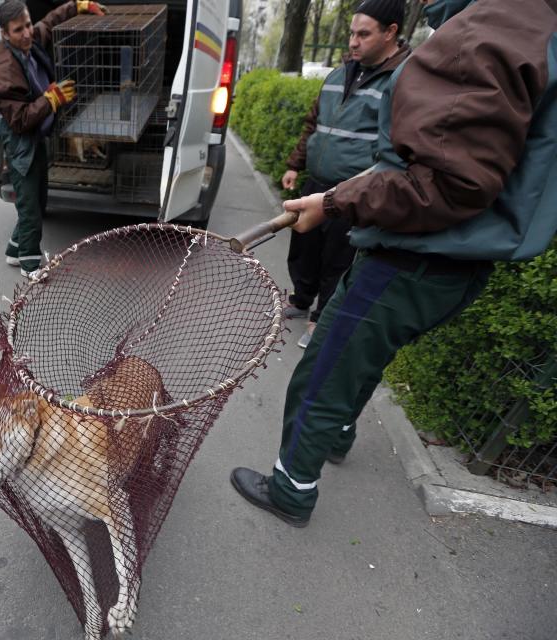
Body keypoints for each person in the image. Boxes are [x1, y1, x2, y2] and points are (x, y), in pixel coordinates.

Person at [231, 0, 557, 527]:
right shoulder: (535, 28)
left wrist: (333, 204)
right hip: (453, 263)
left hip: (411, 258)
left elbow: (445, 183)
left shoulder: (493, 27)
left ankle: (291, 490)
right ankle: (337, 437)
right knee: (362, 358)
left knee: (322, 375)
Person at [282, 0, 410, 349]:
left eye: (363, 34)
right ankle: (300, 299)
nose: (353, 42)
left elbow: (398, 147)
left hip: (353, 193)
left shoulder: (403, 81)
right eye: (352, 33)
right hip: (317, 183)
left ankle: (320, 320)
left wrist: (361, 189)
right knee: (305, 247)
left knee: (338, 259)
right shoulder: (339, 74)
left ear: (391, 32)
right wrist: (295, 164)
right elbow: (314, 123)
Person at [0, 0, 106, 279]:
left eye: (28, 25)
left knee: (37, 201)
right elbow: (18, 121)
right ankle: (30, 266)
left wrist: (78, 5)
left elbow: (49, 23)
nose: (27, 33)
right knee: (30, 206)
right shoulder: (4, 69)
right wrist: (51, 99)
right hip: (19, 141)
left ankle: (14, 250)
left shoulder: (27, 41)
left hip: (34, 135)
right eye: (19, 30)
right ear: (5, 34)